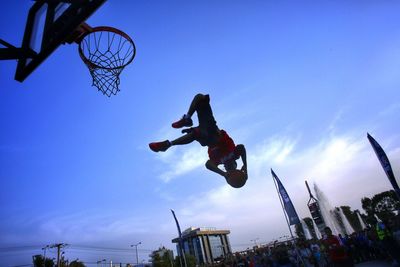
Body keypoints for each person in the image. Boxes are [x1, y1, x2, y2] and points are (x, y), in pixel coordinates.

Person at [149, 94, 248, 187]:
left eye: (226, 169)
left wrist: (224, 174)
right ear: (236, 165)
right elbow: (242, 147)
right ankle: (169, 143)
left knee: (199, 103)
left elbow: (208, 164)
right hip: (212, 131)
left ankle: (181, 129)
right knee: (200, 99)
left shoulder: (217, 161)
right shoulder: (235, 154)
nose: (228, 168)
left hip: (208, 139)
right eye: (232, 168)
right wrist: (246, 168)